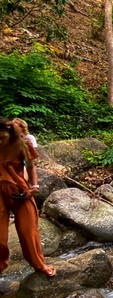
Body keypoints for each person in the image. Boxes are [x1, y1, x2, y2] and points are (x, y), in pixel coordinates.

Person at [0, 117, 55, 277]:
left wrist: (34, 186)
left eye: (2, 138)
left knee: (28, 231)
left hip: (20, 190)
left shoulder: (23, 144)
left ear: (10, 133)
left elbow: (30, 167)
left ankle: (39, 264)